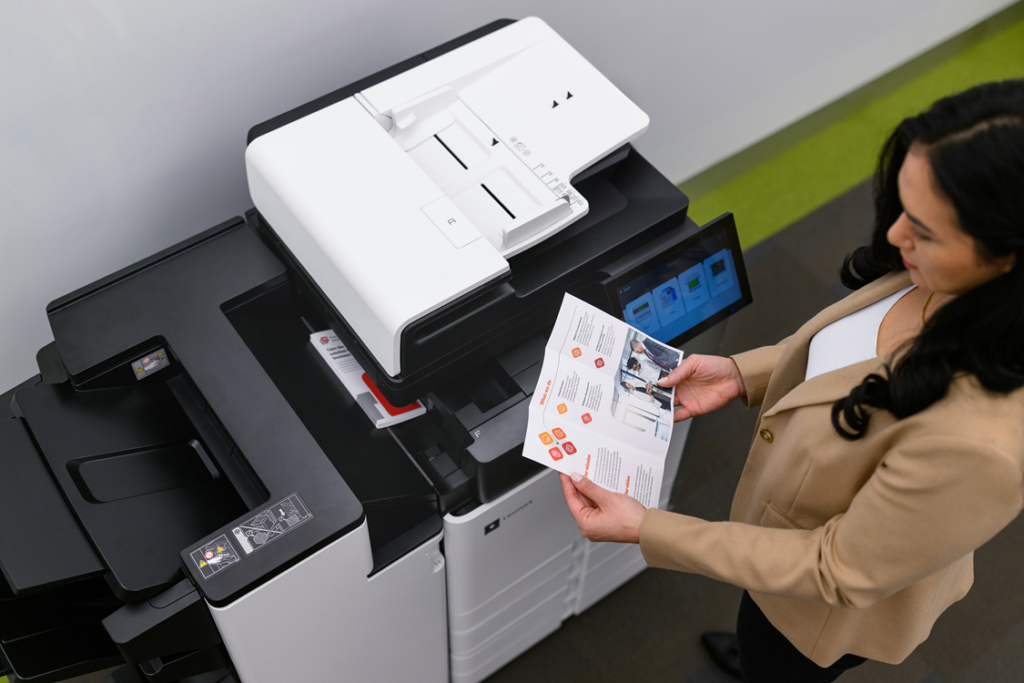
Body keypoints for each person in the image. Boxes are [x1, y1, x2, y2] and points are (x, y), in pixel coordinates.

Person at [560, 79, 1024, 683]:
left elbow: (836, 570)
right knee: (757, 632)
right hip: (780, 536)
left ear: (1006, 254)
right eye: (904, 208)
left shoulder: (983, 447)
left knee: (776, 665)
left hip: (817, 614)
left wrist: (646, 528)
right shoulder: (946, 274)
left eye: (926, 230)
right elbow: (854, 358)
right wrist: (738, 374)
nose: (893, 237)